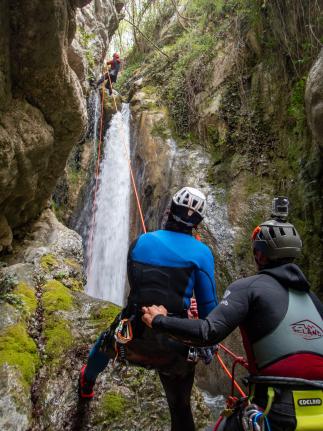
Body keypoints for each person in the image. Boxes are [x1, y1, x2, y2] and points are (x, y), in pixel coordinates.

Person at [142, 199, 323, 431]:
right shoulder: (314, 300)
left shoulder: (249, 288)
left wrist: (159, 320)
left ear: (259, 255)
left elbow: (208, 332)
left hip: (275, 411)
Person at [79, 186, 218, 431]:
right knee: (181, 410)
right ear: (197, 223)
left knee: (104, 344)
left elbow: (140, 290)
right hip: (173, 347)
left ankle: (87, 383)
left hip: (130, 338)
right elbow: (209, 310)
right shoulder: (202, 254)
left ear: (169, 209)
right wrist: (207, 343)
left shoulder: (140, 242)